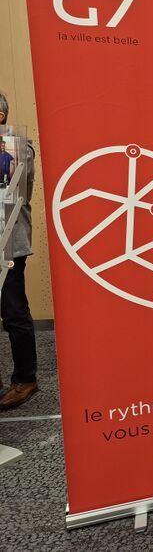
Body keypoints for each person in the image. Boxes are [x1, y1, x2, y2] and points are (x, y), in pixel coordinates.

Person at [0, 91, 38, 409]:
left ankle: (25, 379)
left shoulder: (16, 146)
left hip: (9, 243)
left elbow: (13, 192)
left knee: (13, 313)